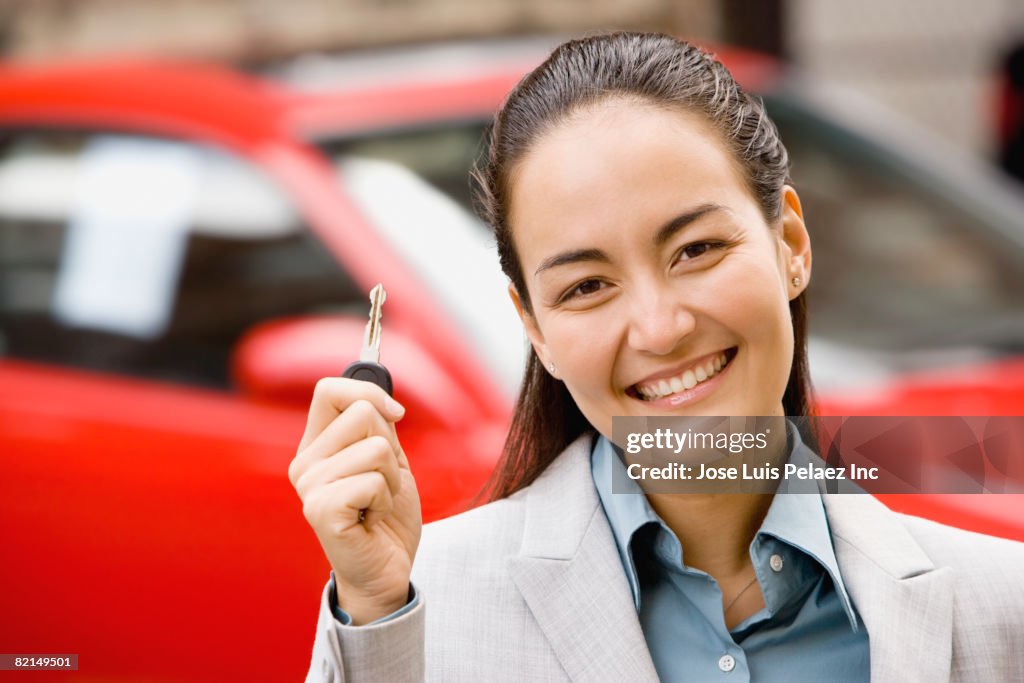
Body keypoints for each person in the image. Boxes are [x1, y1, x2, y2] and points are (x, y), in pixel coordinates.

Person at [289, 32, 1024, 682]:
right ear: (534, 327)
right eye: (586, 285)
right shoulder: (412, 608)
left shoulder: (999, 609)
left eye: (696, 248)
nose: (660, 327)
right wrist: (378, 621)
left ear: (790, 246)